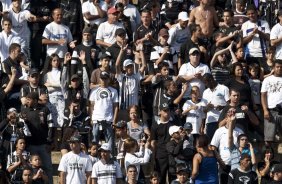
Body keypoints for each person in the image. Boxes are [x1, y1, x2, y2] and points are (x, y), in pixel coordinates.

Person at [21, 92, 54, 184]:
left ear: (35, 100)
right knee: (31, 169)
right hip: (30, 145)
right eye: (26, 99)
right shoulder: (24, 111)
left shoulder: (45, 109)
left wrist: (49, 142)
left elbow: (51, 125)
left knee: (48, 167)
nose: (27, 101)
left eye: (29, 100)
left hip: (44, 144)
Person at [211, 107, 244, 184]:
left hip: (236, 164)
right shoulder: (219, 131)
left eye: (234, 116)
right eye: (230, 117)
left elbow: (243, 146)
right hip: (224, 164)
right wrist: (220, 160)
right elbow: (213, 147)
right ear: (226, 118)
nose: (232, 118)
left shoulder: (240, 131)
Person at [89, 71, 119, 153]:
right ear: (100, 79)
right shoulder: (94, 90)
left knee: (110, 144)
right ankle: (95, 161)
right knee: (94, 143)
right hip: (96, 119)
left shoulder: (114, 91)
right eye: (102, 79)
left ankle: (111, 160)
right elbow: (91, 106)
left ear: (108, 79)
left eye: (105, 79)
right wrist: (91, 118)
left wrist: (114, 120)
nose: (103, 81)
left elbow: (116, 106)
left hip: (108, 120)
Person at [151, 103, 174, 184]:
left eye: (168, 110)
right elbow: (153, 142)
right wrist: (153, 157)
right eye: (164, 110)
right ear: (160, 112)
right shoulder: (155, 125)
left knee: (173, 177)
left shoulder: (173, 123)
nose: (167, 112)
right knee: (161, 178)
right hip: (160, 154)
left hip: (172, 153)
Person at [202, 73, 229, 139]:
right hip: (210, 121)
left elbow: (230, 104)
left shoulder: (224, 88)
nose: (206, 84)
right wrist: (207, 107)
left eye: (206, 82)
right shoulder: (205, 92)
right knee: (211, 143)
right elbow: (203, 110)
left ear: (211, 80)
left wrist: (222, 107)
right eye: (204, 83)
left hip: (222, 120)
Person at [261, 60, 282, 145]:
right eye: (277, 67)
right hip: (271, 111)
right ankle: (268, 157)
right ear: (273, 68)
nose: (279, 69)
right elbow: (263, 96)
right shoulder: (267, 80)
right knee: (268, 139)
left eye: (281, 67)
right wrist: (265, 110)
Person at [43, 54, 64, 127]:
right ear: (50, 62)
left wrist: (51, 84)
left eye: (57, 60)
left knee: (61, 118)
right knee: (52, 119)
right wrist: (57, 85)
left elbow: (63, 85)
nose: (56, 62)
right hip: (51, 98)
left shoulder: (62, 73)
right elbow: (47, 88)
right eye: (54, 60)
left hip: (61, 97)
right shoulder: (47, 74)